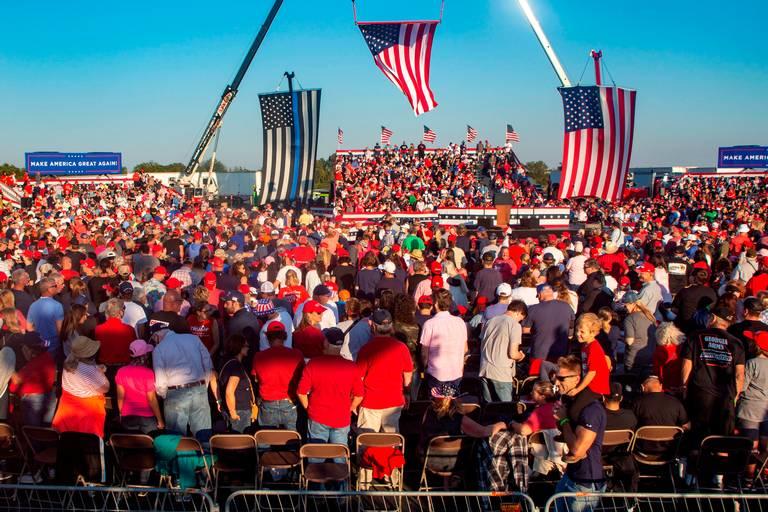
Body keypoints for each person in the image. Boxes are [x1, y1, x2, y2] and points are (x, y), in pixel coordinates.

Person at [681, 304, 745, 445]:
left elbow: (687, 365)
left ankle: (699, 465)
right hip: (725, 397)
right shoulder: (736, 342)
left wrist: (685, 387)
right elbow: (740, 375)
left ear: (714, 318)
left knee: (698, 439)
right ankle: (720, 465)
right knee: (722, 441)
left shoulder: (695, 336)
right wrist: (735, 396)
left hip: (700, 394)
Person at [552, 355, 607, 511]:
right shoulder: (572, 403)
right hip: (571, 477)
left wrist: (563, 420)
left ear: (577, 379)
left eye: (561, 379)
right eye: (556, 378)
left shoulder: (591, 410)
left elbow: (577, 450)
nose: (556, 383)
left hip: (585, 483)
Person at [296, 327, 364, 446]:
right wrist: (348, 409)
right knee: (340, 455)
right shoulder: (351, 367)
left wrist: (309, 409)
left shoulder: (313, 364)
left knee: (316, 457)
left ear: (326, 343)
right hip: (341, 418)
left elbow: (301, 392)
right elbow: (359, 395)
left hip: (317, 416)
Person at [355, 309, 413, 433]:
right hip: (394, 401)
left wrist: (355, 401)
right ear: (391, 326)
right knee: (391, 443)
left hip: (370, 402)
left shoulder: (366, 349)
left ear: (373, 325)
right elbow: (408, 376)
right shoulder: (402, 348)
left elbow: (359, 379)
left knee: (367, 442)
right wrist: (407, 393)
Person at [152, 328, 219, 436]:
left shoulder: (159, 348)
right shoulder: (193, 339)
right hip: (198, 387)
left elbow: (160, 376)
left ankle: (182, 452)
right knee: (203, 432)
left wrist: (163, 394)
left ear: (157, 335)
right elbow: (207, 363)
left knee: (176, 437)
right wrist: (204, 384)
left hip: (175, 391)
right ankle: (205, 452)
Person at [52, 336, 109, 438]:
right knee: (88, 441)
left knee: (68, 439)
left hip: (67, 407)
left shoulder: (68, 362)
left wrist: (96, 368)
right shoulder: (91, 371)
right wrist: (100, 372)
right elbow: (106, 388)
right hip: (88, 411)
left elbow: (82, 368)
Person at [252, 321, 303, 430]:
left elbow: (256, 378)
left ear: (268, 337)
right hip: (289, 401)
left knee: (265, 439)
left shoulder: (259, 356)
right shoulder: (296, 354)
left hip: (268, 402)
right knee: (292, 439)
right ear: (284, 336)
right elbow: (301, 378)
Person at [420, 289, 468, 394]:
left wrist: (425, 366)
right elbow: (465, 349)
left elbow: (424, 353)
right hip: (456, 372)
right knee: (452, 406)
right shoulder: (460, 322)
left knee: (437, 406)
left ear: (436, 303)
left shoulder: (430, 324)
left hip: (436, 374)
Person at [479, 300, 527, 402]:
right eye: (521, 319)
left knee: (489, 408)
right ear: (519, 313)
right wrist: (521, 356)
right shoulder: (514, 325)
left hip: (484, 369)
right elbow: (513, 354)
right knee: (504, 409)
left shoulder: (490, 321)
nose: (520, 322)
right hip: (501, 372)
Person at [524, 284, 574, 378]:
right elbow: (571, 330)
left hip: (539, 354)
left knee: (539, 383)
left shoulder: (533, 309)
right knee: (557, 381)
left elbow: (525, 330)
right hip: (561, 354)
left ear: (540, 294)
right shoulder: (567, 306)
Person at [115, 339, 165, 433]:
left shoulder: (121, 371)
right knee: (150, 443)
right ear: (145, 356)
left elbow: (120, 397)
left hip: (128, 415)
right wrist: (160, 420)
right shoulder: (148, 373)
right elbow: (151, 399)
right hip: (147, 417)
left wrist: (121, 413)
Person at [9, 334, 56, 426]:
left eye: (23, 348)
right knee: (46, 429)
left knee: (33, 432)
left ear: (29, 349)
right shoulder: (47, 356)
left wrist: (10, 370)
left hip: (32, 402)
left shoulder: (30, 367)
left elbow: (13, 387)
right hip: (50, 397)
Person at [736, 331, 768, 458]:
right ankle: (763, 472)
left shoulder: (752, 363)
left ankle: (748, 477)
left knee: (751, 449)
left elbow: (741, 387)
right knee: (765, 446)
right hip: (766, 411)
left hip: (749, 410)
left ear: (757, 345)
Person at [219, 334, 255, 433]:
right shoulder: (235, 366)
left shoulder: (227, 363)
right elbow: (229, 391)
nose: (248, 348)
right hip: (239, 410)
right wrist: (233, 412)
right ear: (239, 347)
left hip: (236, 409)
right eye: (246, 346)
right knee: (241, 441)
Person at [570, 313, 611, 397]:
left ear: (593, 333)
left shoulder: (594, 349)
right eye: (577, 330)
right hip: (589, 385)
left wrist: (577, 389)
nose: (578, 334)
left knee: (574, 410)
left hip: (596, 388)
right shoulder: (585, 345)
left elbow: (591, 373)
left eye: (582, 332)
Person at [26, 277, 65, 359]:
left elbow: (29, 327)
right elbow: (59, 330)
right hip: (54, 346)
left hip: (39, 346)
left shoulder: (33, 305)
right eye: (54, 285)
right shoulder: (57, 305)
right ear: (49, 289)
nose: (57, 287)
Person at [620, 291, 657, 374]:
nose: (624, 308)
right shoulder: (650, 316)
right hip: (650, 359)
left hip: (634, 360)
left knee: (631, 385)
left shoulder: (629, 319)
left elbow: (629, 341)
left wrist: (621, 338)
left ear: (632, 304)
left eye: (625, 305)